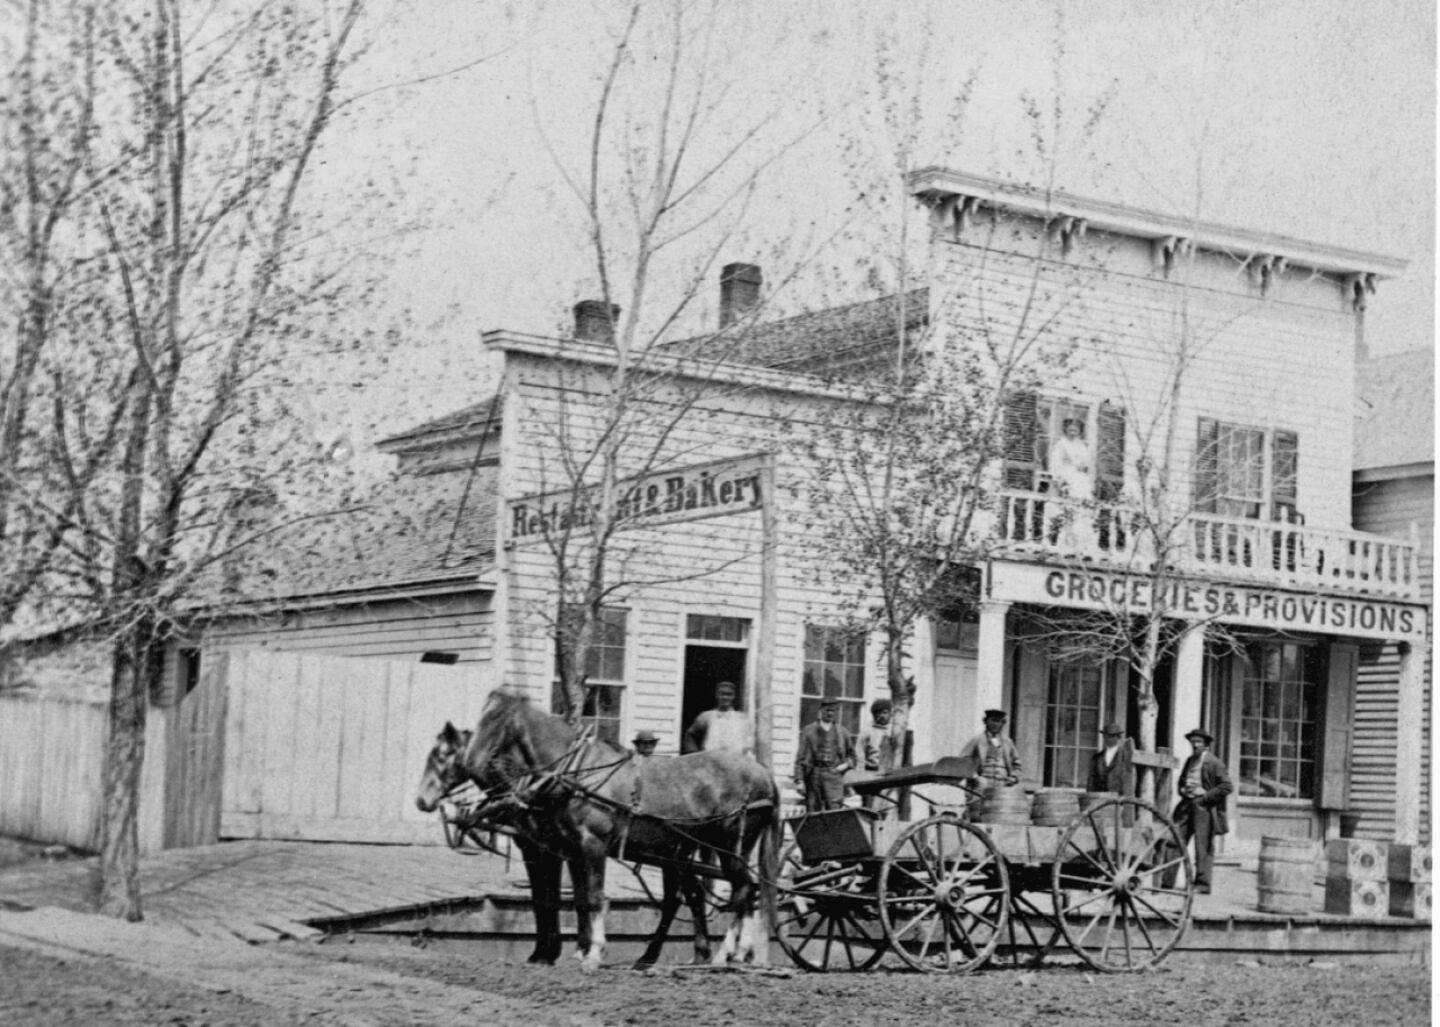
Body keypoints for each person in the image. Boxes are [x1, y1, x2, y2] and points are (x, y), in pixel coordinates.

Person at [1169, 727, 1233, 895]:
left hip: (1203, 808)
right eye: (1193, 742)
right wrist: (1183, 789)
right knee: (1174, 840)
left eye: (1199, 742)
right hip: (1186, 805)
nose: (1195, 745)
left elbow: (1227, 786)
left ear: (1206, 745)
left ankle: (1202, 885)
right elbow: (1181, 781)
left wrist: (1205, 795)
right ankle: (1166, 881)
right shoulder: (1190, 760)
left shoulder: (1214, 763)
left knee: (1202, 846)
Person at [793, 698, 856, 812]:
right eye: (827, 710)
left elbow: (852, 757)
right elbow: (800, 757)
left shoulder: (843, 732)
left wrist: (843, 766)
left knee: (834, 811)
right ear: (821, 710)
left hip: (834, 777)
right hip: (814, 776)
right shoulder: (809, 731)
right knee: (813, 812)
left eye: (833, 710)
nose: (830, 713)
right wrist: (799, 781)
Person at [1047, 417, 1094, 547]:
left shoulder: (1082, 446)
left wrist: (1082, 466)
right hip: (1066, 477)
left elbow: (1086, 464)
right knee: (1066, 510)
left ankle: (1080, 541)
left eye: (1076, 430)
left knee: (1082, 510)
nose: (1073, 432)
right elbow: (1055, 465)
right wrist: (1059, 481)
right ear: (1065, 430)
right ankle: (1064, 540)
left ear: (1079, 431)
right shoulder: (1061, 445)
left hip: (1080, 480)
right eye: (1070, 430)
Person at [681, 680, 755, 758]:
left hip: (734, 761)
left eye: (729, 694)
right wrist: (694, 755)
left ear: (733, 697)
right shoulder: (706, 716)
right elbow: (690, 735)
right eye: (722, 694)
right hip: (711, 760)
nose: (725, 697)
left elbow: (748, 746)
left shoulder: (742, 718)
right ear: (717, 695)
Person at [957, 709, 1021, 788]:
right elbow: (963, 761)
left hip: (1003, 784)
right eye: (993, 720)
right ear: (985, 721)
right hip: (982, 785)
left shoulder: (1007, 742)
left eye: (999, 721)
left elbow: (1017, 764)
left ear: (1003, 723)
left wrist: (1013, 777)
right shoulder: (977, 740)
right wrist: (976, 777)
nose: (995, 724)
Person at [857, 698, 896, 810]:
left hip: (890, 774)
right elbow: (859, 752)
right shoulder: (867, 731)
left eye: (884, 712)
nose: (881, 716)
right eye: (878, 713)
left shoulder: (894, 731)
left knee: (887, 805)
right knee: (870, 806)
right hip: (871, 773)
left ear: (890, 714)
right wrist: (860, 774)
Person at [1087, 722, 1135, 796]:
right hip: (1100, 798)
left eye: (1112, 736)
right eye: (1106, 736)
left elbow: (1128, 781)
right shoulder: (1097, 758)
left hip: (1118, 799)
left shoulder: (1125, 756)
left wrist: (1125, 799)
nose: (1108, 739)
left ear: (1118, 737)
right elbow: (1091, 782)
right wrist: (1090, 797)